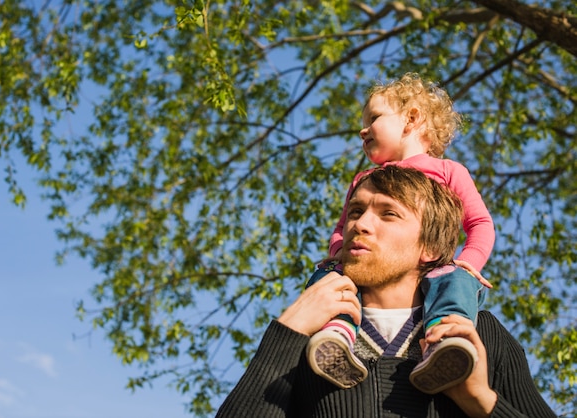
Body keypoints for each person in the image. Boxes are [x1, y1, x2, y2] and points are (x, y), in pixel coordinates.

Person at [215, 166, 556, 418]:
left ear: (431, 248)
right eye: (356, 211)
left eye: (389, 214)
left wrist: (480, 400)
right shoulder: (308, 336)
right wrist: (285, 334)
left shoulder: (477, 335)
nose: (359, 225)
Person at [305, 73, 495, 393]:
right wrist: (340, 255)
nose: (363, 130)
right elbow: (342, 228)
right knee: (327, 275)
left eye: (374, 118)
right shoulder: (366, 179)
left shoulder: (449, 171)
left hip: (432, 269)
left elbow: (479, 223)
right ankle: (336, 334)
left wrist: (469, 262)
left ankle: (445, 343)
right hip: (373, 267)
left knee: (458, 281)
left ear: (411, 118)